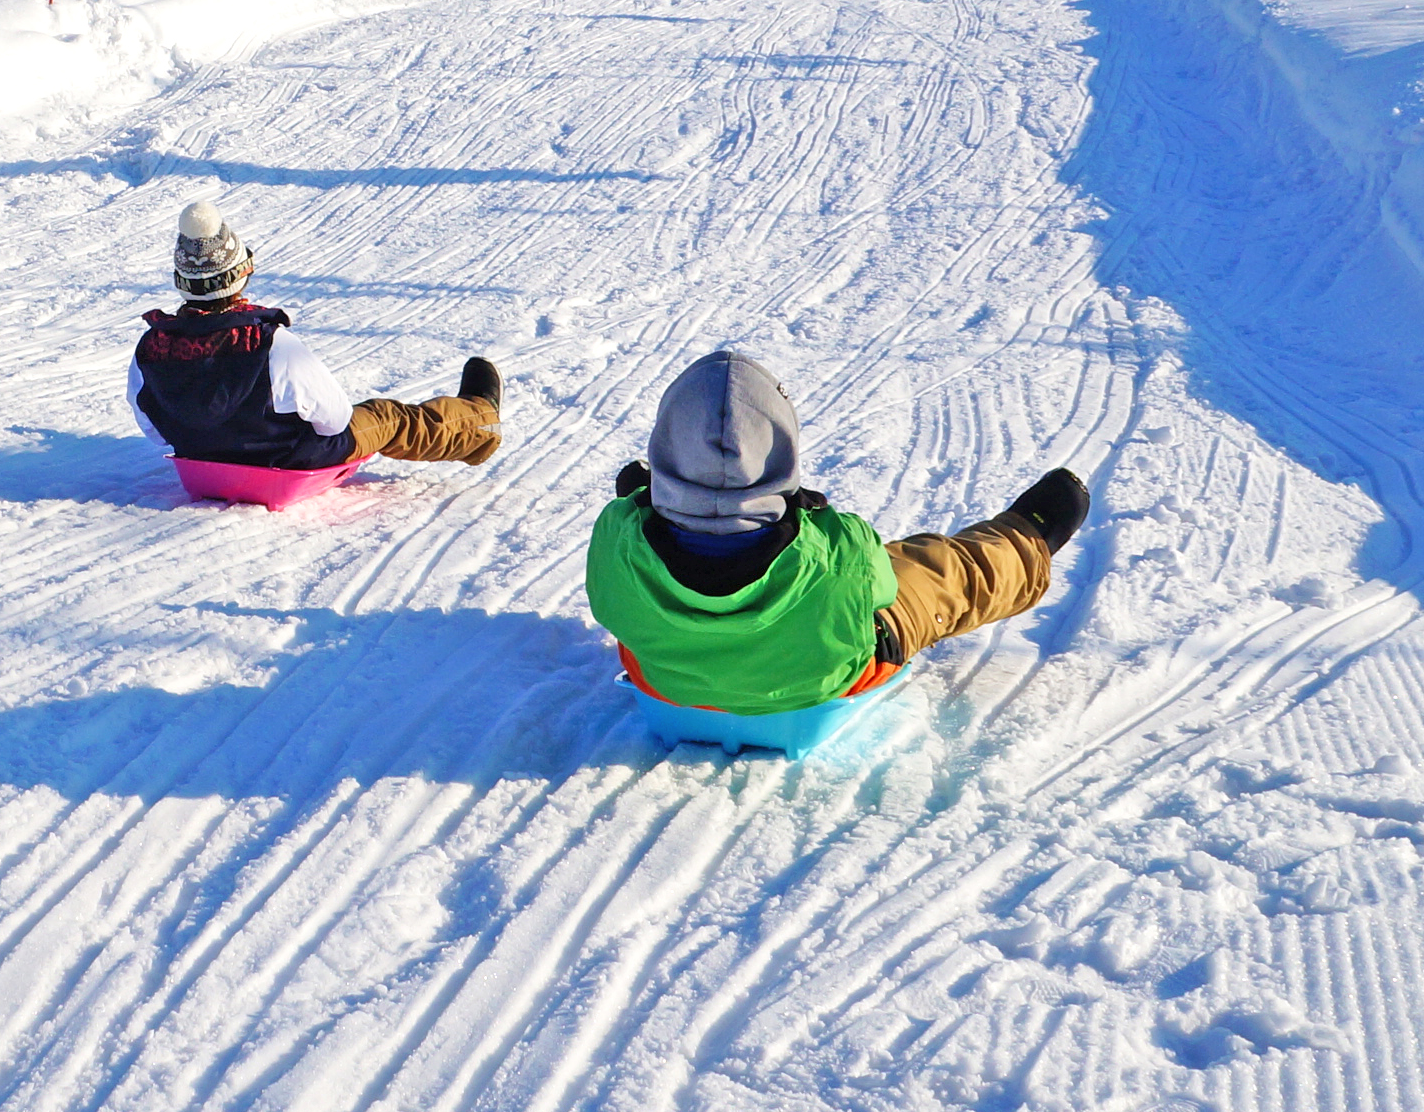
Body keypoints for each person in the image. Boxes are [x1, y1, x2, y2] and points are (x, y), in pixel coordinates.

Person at [588, 351, 1086, 727]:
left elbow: (608, 599)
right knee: (930, 577)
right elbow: (882, 590)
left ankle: (676, 499)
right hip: (817, 689)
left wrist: (647, 502)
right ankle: (1026, 540)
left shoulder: (615, 531)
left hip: (670, 684)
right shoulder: (838, 544)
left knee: (638, 563)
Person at [126, 202, 500, 471]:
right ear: (241, 274)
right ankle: (481, 422)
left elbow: (155, 433)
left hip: (203, 463)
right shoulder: (269, 343)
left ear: (181, 282)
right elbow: (335, 419)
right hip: (289, 458)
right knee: (388, 418)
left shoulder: (150, 349)